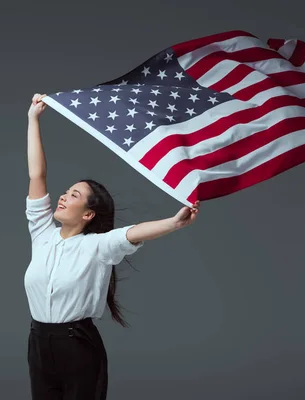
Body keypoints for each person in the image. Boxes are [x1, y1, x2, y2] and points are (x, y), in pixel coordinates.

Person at [24, 93, 200, 400]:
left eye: (74, 195)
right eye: (65, 192)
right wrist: (33, 120)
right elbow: (37, 174)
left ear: (89, 214)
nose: (63, 197)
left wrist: (173, 223)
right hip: (38, 343)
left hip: (77, 346)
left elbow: (133, 233)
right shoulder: (42, 233)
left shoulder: (99, 246)